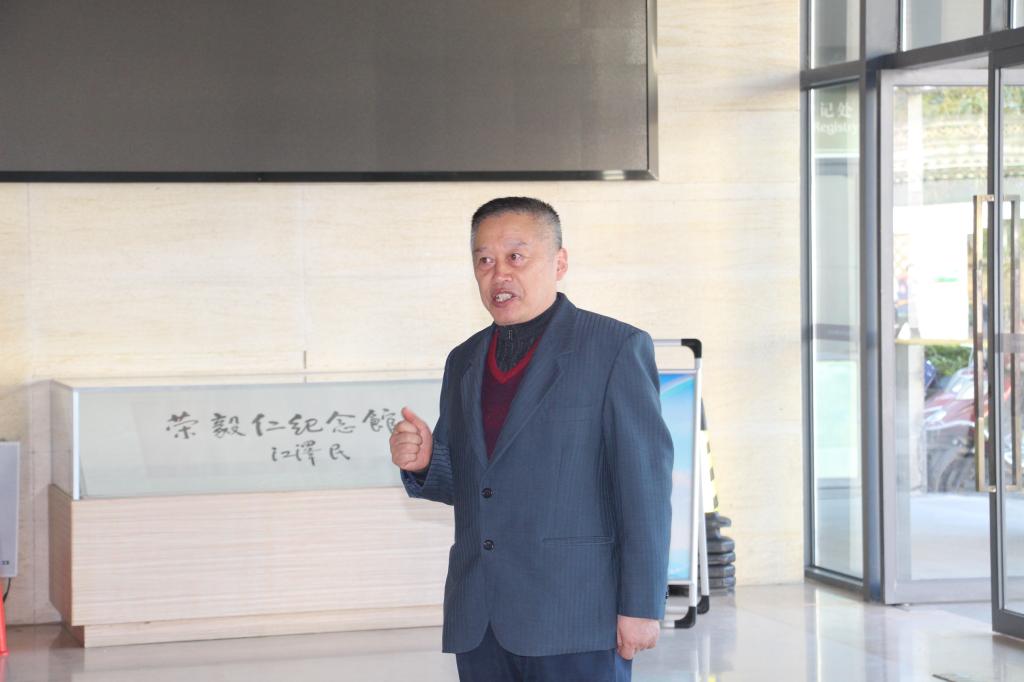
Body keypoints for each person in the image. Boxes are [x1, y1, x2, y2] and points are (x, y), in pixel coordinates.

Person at [389, 197, 673, 682]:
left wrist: (642, 605)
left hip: (576, 615)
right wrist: (425, 462)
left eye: (516, 256)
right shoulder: (464, 360)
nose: (499, 273)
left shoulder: (614, 348)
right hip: (481, 617)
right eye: (484, 260)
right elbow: (474, 485)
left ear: (559, 263)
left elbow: (645, 490)